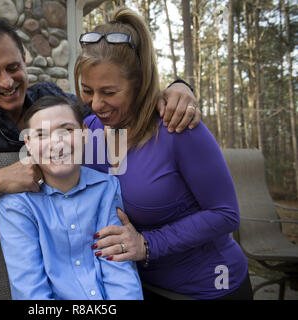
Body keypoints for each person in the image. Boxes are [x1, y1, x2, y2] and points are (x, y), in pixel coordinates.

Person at [0, 18, 199, 296]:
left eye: (13, 67)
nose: (7, 81)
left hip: (70, 266)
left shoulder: (50, 98)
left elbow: (109, 104)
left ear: (25, 57)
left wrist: (176, 87)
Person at [76, 7, 252, 300]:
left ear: (139, 83)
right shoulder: (90, 130)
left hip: (208, 288)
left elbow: (225, 214)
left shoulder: (177, 127)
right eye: (86, 90)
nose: (95, 104)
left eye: (108, 92)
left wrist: (147, 244)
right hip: (134, 288)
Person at [0, 96, 143, 300]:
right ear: (28, 144)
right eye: (41, 135)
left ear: (84, 132)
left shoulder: (106, 187)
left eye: (66, 130)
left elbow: (118, 270)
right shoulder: (16, 207)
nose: (56, 143)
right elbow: (31, 292)